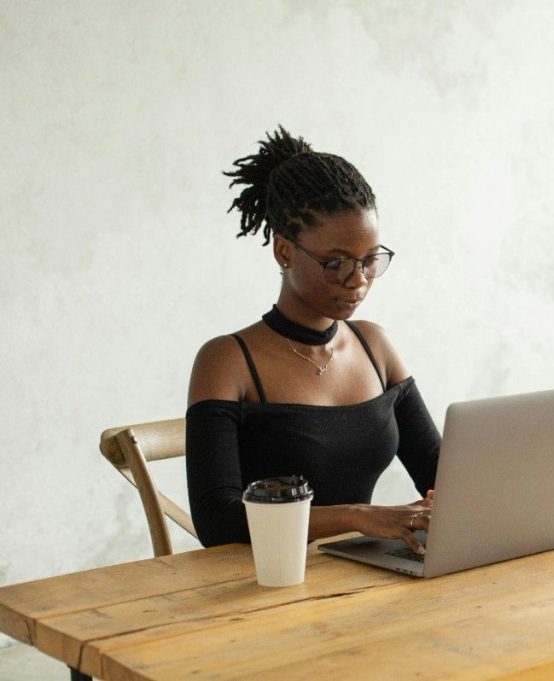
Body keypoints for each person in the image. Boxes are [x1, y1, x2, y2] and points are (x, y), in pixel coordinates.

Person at [186, 126, 439, 555]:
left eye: (370, 260)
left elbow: (444, 477)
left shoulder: (375, 347)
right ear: (284, 251)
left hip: (361, 577)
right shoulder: (228, 361)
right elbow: (218, 520)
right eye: (334, 262)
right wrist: (357, 516)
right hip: (265, 586)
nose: (357, 279)